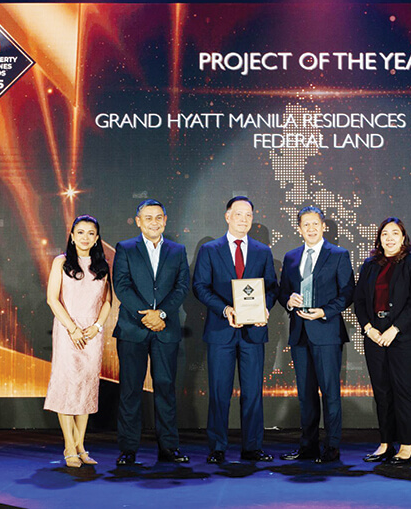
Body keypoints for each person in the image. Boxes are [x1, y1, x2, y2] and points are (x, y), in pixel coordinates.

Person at [192, 196, 278, 464]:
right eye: (239, 214)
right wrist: (225, 309)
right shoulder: (209, 250)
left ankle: (252, 446)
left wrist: (264, 308)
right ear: (227, 216)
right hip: (221, 330)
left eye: (249, 215)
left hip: (254, 332)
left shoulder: (263, 251)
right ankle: (217, 447)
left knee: (253, 392)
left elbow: (272, 287)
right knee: (219, 391)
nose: (244, 219)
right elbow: (200, 286)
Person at [112, 199, 190, 466]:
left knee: (166, 389)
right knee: (130, 390)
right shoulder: (125, 248)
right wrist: (146, 316)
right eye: (148, 218)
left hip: (166, 329)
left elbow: (182, 286)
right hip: (132, 329)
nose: (154, 222)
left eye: (158, 217)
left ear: (165, 220)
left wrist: (162, 314)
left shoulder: (177, 250)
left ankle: (169, 448)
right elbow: (121, 285)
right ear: (138, 221)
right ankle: (128, 449)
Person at [278, 206, 355, 463]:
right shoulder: (291, 257)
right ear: (299, 229)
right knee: (306, 394)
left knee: (330, 392)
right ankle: (307, 446)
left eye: (315, 224)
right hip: (299, 333)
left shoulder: (338, 255)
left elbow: (347, 292)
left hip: (327, 332)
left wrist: (324, 311)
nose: (311, 229)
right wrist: (289, 301)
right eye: (306, 225)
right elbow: (283, 292)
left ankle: (332, 446)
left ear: (323, 227)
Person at [354, 217, 411, 466]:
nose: (389, 238)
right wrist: (368, 329)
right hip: (375, 337)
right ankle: (386, 444)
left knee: (404, 391)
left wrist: (394, 329)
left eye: (395, 233)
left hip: (405, 337)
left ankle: (406, 446)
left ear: (403, 238)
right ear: (379, 238)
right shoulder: (369, 265)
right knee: (382, 392)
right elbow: (359, 301)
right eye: (385, 233)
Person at [45, 215, 112, 467]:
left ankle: (81, 446)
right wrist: (72, 328)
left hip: (92, 334)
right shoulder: (61, 262)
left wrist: (97, 326)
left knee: (86, 388)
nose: (85, 237)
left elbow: (107, 301)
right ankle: (69, 447)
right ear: (72, 236)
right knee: (67, 387)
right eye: (80, 232)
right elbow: (52, 299)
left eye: (90, 233)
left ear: (97, 238)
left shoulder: (102, 265)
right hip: (68, 331)